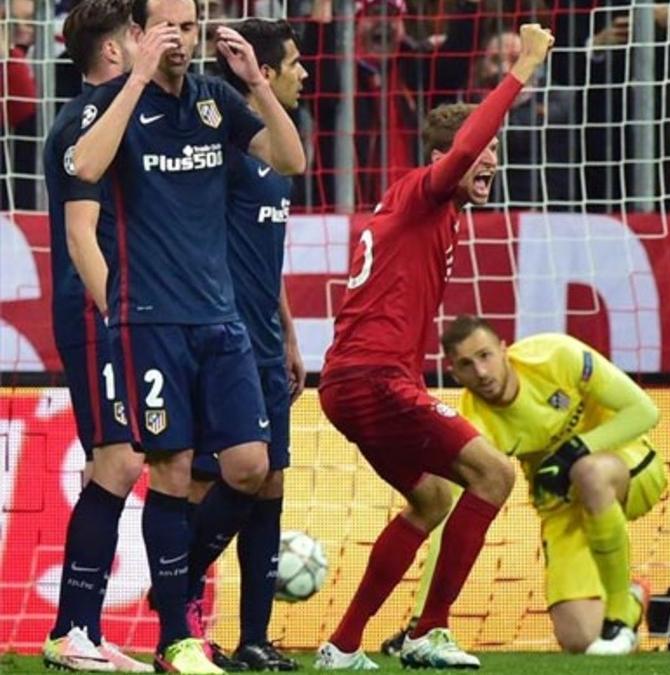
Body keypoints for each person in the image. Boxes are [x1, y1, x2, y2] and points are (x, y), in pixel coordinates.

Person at [70, 0, 306, 669]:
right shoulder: (115, 102)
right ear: (141, 34)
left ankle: (171, 600)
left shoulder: (213, 103)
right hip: (153, 318)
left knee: (250, 464)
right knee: (171, 472)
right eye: (167, 25)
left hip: (222, 321)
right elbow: (86, 167)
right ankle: (177, 636)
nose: (182, 37)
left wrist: (257, 82)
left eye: (191, 25)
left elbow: (289, 158)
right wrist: (138, 79)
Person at [314, 23, 554, 671]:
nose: (493, 162)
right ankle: (429, 629)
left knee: (432, 499)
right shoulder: (425, 190)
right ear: (453, 156)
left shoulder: (418, 208)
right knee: (495, 474)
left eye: (496, 151)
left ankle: (342, 643)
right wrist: (525, 65)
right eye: (484, 152)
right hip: (373, 378)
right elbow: (467, 141)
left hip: (348, 382)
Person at [383, 316, 667, 656]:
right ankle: (632, 597)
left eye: (485, 356)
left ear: (505, 350)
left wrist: (574, 451)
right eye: (467, 365)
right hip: (561, 505)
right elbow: (451, 518)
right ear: (455, 375)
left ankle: (619, 615)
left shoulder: (557, 355)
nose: (482, 373)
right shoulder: (474, 429)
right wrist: (419, 622)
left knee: (587, 471)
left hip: (627, 465)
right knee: (580, 639)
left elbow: (643, 411)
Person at [185, 17, 308, 672]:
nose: (303, 73)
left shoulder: (273, 156)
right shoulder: (224, 154)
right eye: (292, 62)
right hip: (222, 345)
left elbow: (267, 255)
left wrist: (289, 333)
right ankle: (179, 605)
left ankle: (254, 637)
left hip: (265, 342)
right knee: (221, 482)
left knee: (271, 483)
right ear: (257, 69)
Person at [41, 1, 149, 671]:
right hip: (94, 309)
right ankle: (69, 630)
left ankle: (81, 628)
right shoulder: (88, 118)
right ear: (114, 51)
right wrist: (116, 308)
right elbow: (83, 232)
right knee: (118, 460)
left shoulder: (118, 116)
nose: (146, 43)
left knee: (119, 459)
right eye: (136, 34)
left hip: (115, 308)